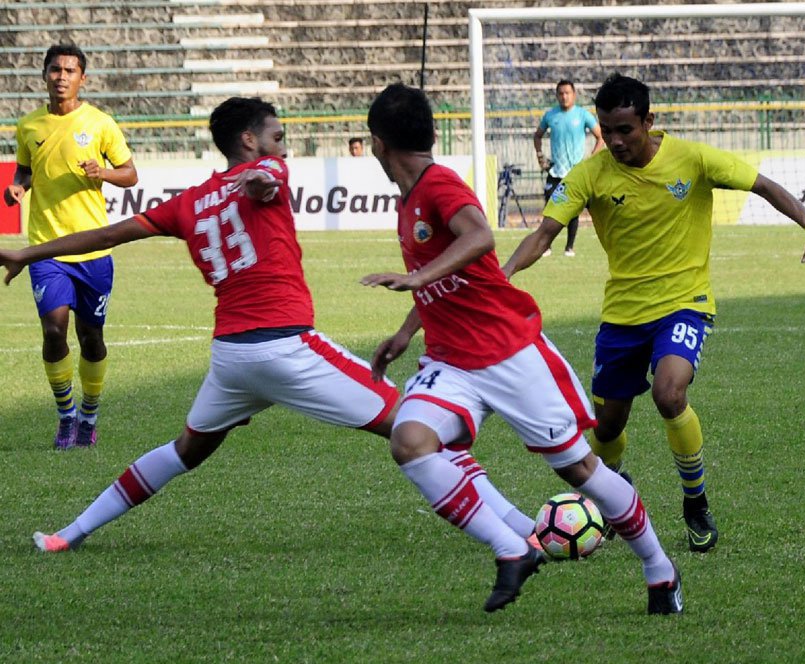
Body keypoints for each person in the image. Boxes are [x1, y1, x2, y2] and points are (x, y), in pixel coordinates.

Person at [3, 97, 533, 556]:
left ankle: (68, 534)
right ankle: (524, 530)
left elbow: (108, 234)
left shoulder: (189, 202)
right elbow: (263, 181)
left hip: (232, 360)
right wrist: (258, 178)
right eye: (277, 137)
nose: (284, 148)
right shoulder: (269, 172)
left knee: (186, 449)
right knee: (419, 425)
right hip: (286, 347)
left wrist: (28, 252)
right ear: (249, 139)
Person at [361, 83, 682, 615]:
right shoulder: (411, 196)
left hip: (509, 350)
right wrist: (405, 332)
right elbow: (445, 276)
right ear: (430, 133)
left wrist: (415, 276)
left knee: (580, 471)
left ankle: (659, 568)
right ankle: (512, 547)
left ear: (376, 143)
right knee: (410, 441)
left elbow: (480, 238)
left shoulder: (439, 185)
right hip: (451, 360)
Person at [503, 73, 805, 554]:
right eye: (607, 130)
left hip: (685, 305)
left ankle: (695, 502)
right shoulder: (589, 175)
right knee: (607, 428)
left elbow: (764, 185)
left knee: (670, 394)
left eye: (626, 129)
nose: (617, 141)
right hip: (623, 314)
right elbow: (543, 233)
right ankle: (610, 495)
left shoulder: (693, 159)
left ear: (649, 121)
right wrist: (501, 277)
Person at [3, 43, 138, 449]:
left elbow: (131, 174)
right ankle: (66, 417)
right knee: (53, 330)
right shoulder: (28, 126)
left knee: (92, 337)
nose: (62, 76)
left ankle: (89, 416)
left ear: (82, 78)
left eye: (70, 70)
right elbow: (25, 170)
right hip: (47, 249)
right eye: (55, 69)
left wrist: (106, 173)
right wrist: (17, 187)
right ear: (44, 75)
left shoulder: (100, 124)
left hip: (94, 249)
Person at [533, 79, 603, 257]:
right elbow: (537, 136)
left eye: (567, 93)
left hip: (576, 171)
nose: (564, 96)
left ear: (574, 95)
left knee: (574, 209)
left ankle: (569, 247)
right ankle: (546, 246)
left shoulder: (582, 115)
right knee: (551, 207)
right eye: (561, 93)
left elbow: (600, 137)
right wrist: (541, 157)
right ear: (557, 96)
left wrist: (591, 159)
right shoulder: (551, 115)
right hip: (556, 170)